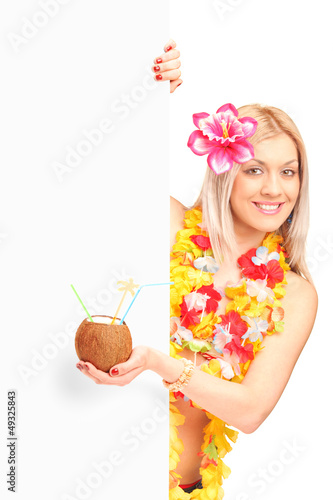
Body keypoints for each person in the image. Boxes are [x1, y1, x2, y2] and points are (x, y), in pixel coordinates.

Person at [76, 40, 318, 499]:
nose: (274, 188)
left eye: (289, 171)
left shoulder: (294, 294)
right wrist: (150, 94)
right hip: (96, 469)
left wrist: (156, 363)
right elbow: (98, 169)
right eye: (254, 170)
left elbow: (249, 412)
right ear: (225, 170)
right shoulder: (168, 225)